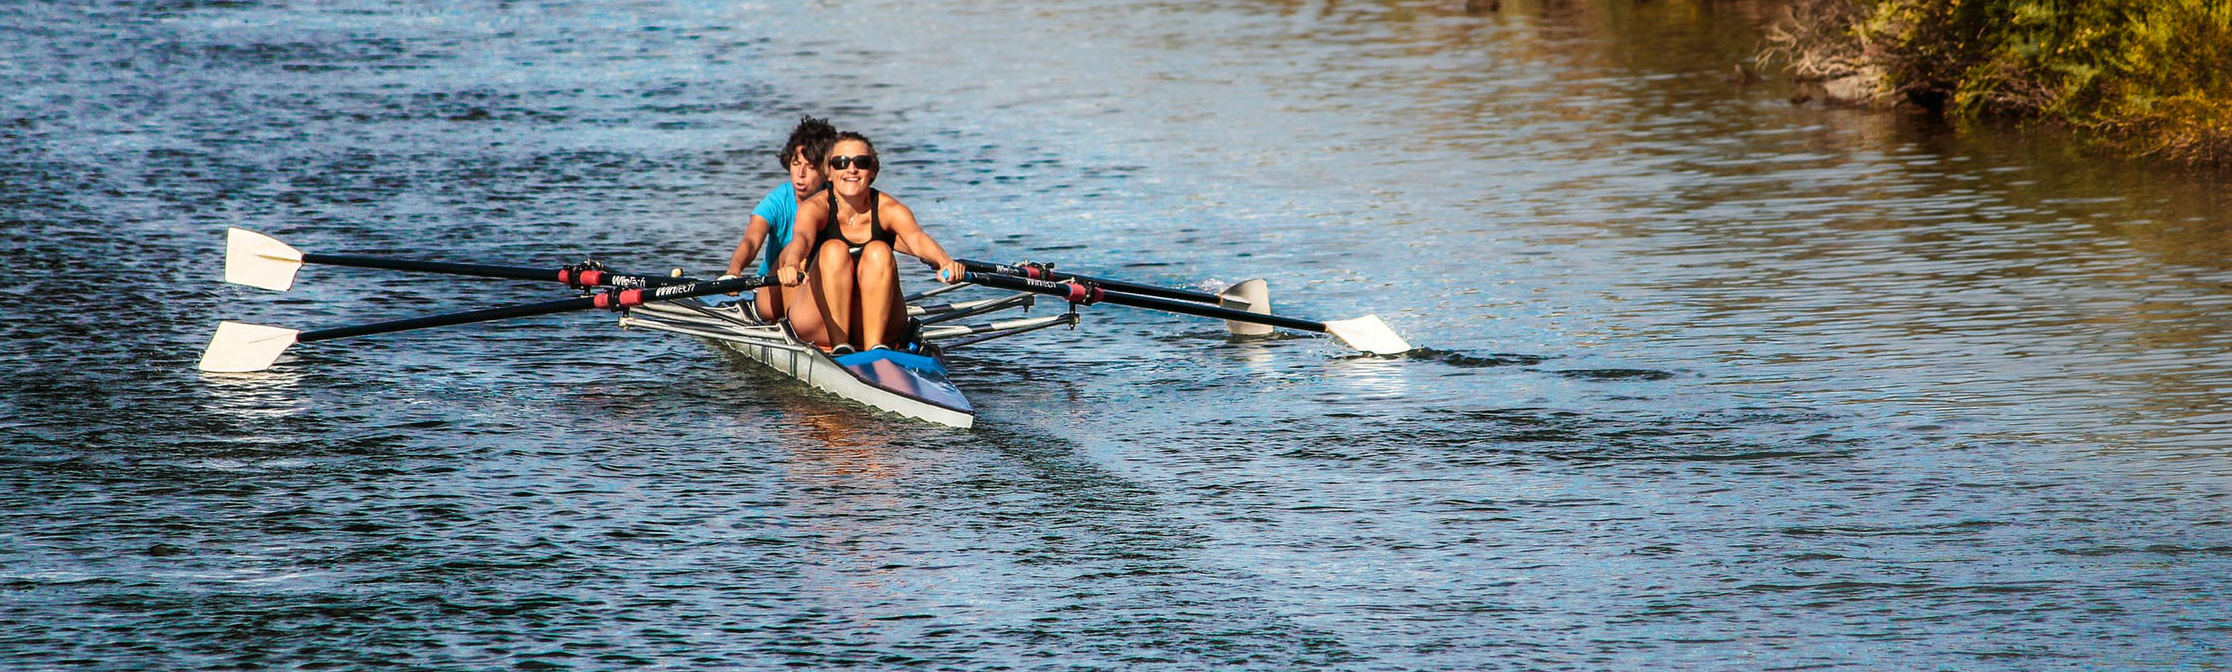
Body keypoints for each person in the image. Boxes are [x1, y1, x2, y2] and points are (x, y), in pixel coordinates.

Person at [775, 131, 966, 353]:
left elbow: (917, 238)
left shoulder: (889, 209)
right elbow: (802, 239)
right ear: (828, 172)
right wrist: (791, 264)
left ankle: (876, 351)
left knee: (879, 250)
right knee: (833, 249)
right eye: (841, 163)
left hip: (876, 325)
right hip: (819, 324)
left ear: (873, 170)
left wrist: (946, 262)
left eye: (861, 162)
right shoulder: (815, 209)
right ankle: (840, 349)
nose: (851, 169)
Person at [724, 116, 837, 321]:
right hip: (770, 294)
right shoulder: (778, 200)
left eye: (810, 167)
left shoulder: (838, 200)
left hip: (817, 289)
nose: (800, 174)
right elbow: (751, 241)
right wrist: (735, 270)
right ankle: (799, 326)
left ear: (826, 171)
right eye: (795, 164)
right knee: (797, 250)